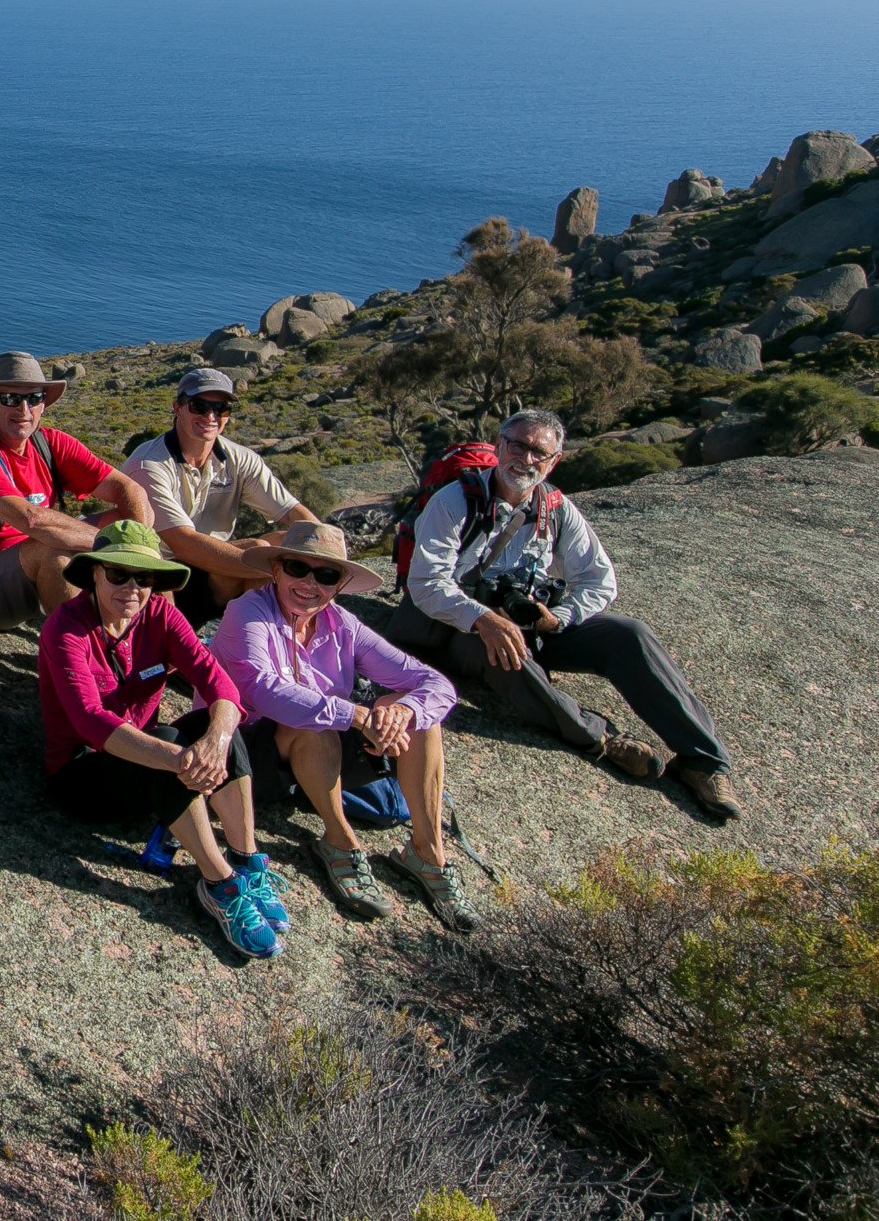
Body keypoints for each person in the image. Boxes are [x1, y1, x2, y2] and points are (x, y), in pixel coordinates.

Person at [384, 410, 742, 820]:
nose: (526, 457)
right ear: (500, 445)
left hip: (531, 622)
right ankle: (600, 737)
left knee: (629, 634)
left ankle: (703, 761)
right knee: (506, 653)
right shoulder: (455, 501)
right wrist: (484, 617)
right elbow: (427, 583)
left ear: (554, 461)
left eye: (540, 451)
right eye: (517, 444)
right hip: (457, 625)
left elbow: (599, 580)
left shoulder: (556, 509)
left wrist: (561, 617)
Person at [212, 522, 479, 931]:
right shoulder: (247, 611)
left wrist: (401, 714)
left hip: (321, 762)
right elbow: (263, 689)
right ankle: (338, 841)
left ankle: (427, 853)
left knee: (418, 717)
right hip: (251, 759)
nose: (309, 583)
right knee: (314, 721)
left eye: (326, 574)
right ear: (276, 569)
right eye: (298, 568)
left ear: (339, 584)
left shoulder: (343, 625)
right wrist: (357, 716)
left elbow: (436, 685)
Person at [38, 521, 284, 960]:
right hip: (82, 774)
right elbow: (92, 722)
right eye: (118, 574)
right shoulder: (66, 629)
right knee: (176, 746)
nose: (132, 588)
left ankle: (246, 857)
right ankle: (219, 882)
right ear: (93, 573)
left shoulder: (160, 615)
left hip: (142, 759)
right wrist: (183, 759)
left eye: (145, 578)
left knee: (211, 724)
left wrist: (218, 737)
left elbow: (220, 685)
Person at [0, 351, 155, 632]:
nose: (24, 409)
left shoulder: (50, 443)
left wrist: (140, 549)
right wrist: (117, 545)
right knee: (52, 550)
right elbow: (31, 520)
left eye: (34, 398)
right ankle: (84, 656)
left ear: (44, 404)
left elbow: (128, 488)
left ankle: (151, 637)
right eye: (11, 399)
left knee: (127, 523)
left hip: (22, 568)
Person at [125, 367, 319, 627]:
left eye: (221, 408)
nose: (211, 415)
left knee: (291, 544)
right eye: (199, 406)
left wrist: (323, 552)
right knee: (266, 555)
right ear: (177, 407)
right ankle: (250, 638)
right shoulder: (149, 464)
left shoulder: (240, 459)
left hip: (215, 569)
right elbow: (182, 543)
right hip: (164, 573)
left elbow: (295, 513)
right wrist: (287, 571)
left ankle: (269, 640)